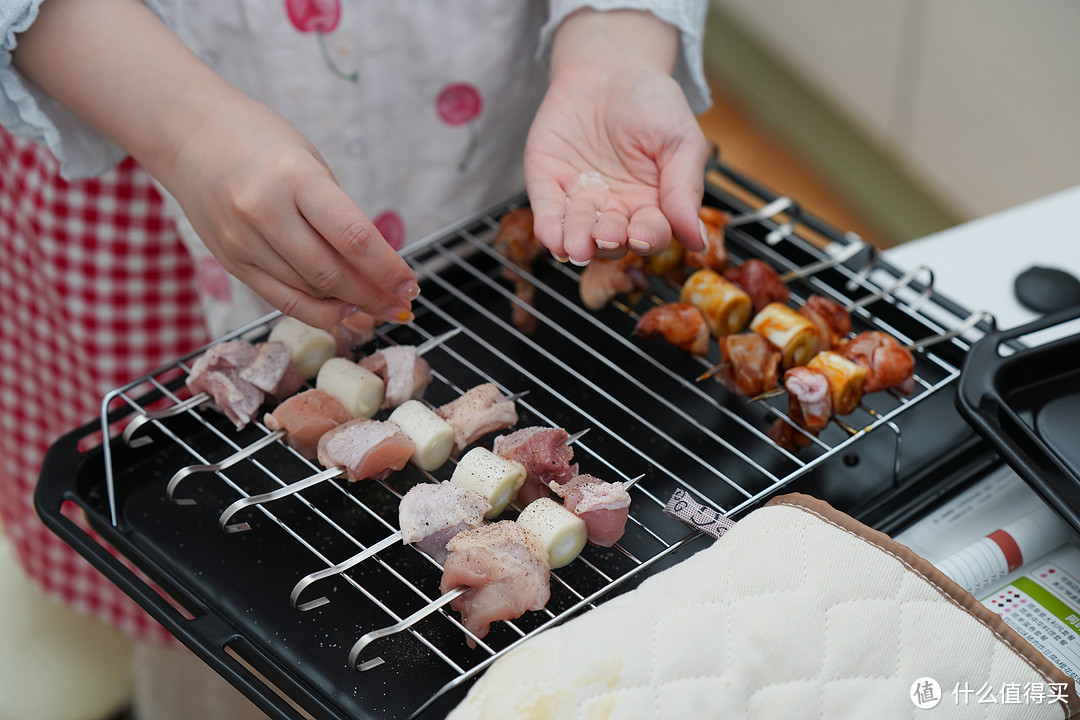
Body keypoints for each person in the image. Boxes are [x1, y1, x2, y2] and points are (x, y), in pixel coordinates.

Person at [0, 1, 712, 717]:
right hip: (142, 117)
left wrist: (612, 47)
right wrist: (188, 131)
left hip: (492, 145)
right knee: (207, 594)